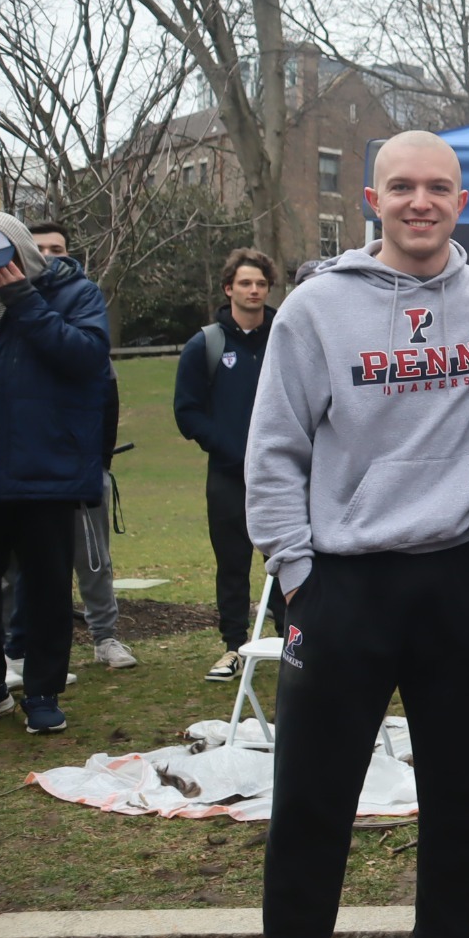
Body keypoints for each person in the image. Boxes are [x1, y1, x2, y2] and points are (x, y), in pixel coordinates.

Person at [245, 131, 469, 938]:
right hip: (343, 582)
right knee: (314, 791)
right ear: (370, 196)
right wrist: (297, 574)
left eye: (437, 187)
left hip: (459, 572)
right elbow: (275, 448)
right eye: (401, 186)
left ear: (461, 202)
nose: (419, 201)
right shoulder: (316, 309)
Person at [0, 212, 111, 735]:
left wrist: (24, 300)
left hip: (47, 469)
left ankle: (42, 691)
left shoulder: (74, 293)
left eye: (0, 264)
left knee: (47, 589)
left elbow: (86, 360)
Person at [2, 221, 133, 675]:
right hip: (7, 467)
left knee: (87, 560)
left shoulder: (79, 298)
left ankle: (104, 637)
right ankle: (13, 655)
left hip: (72, 464)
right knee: (19, 573)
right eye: (40, 248)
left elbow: (99, 382)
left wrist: (98, 461)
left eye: (57, 248)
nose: (50, 255)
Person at [174, 248, 284, 680]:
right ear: (228, 288)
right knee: (232, 562)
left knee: (284, 558)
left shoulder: (285, 334)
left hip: (283, 474)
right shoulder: (207, 343)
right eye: (245, 283)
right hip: (228, 475)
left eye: (260, 283)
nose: (253, 290)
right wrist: (229, 448)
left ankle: (293, 640)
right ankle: (234, 647)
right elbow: (187, 412)